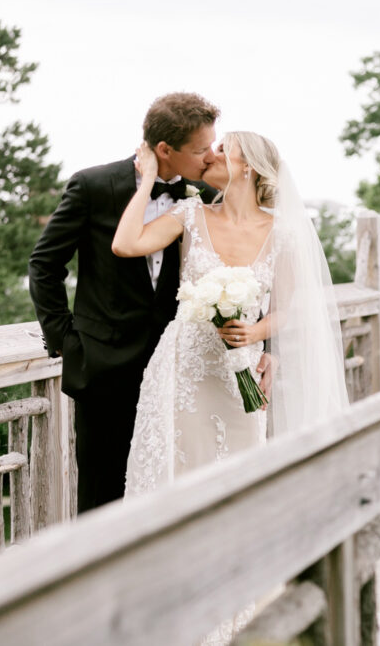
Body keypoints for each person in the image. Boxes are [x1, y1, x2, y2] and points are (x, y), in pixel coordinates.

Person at [29, 93, 270, 513]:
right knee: (103, 498)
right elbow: (45, 266)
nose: (210, 156)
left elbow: (252, 278)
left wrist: (270, 350)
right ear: (164, 150)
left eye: (215, 148)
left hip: (185, 372)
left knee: (178, 491)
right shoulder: (93, 185)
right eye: (201, 150)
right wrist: (68, 342)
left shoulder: (204, 195)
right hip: (105, 367)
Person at [115, 131, 348, 497]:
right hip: (183, 368)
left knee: (241, 473)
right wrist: (146, 179)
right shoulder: (190, 214)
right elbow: (126, 244)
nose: (210, 155)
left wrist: (256, 334)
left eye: (223, 149)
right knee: (179, 471)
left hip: (241, 371)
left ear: (249, 168)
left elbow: (284, 310)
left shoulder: (283, 232)